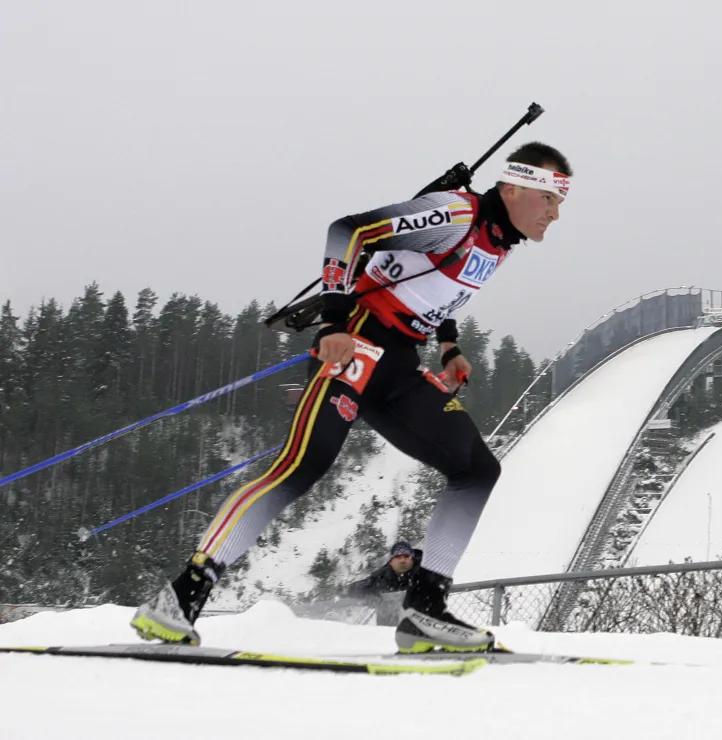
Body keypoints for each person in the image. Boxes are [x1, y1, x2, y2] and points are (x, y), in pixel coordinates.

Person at [131, 142, 573, 653]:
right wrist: (334, 323)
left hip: (400, 365)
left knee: (477, 468)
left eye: (561, 204)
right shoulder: (457, 212)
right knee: (299, 468)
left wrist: (449, 344)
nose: (555, 214)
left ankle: (424, 609)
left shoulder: (496, 238)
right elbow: (349, 231)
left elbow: (429, 280)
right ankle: (179, 598)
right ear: (513, 187)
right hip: (356, 341)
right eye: (550, 199)